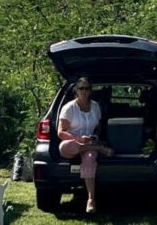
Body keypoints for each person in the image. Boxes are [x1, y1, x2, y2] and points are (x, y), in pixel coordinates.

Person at [57, 77, 113, 214]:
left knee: (89, 158)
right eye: (81, 88)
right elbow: (60, 132)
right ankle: (99, 148)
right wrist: (78, 138)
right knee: (64, 146)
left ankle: (91, 200)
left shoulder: (95, 106)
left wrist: (94, 137)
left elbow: (98, 126)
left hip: (90, 142)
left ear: (90, 91)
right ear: (76, 90)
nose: (84, 91)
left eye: (87, 88)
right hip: (72, 143)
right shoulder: (69, 108)